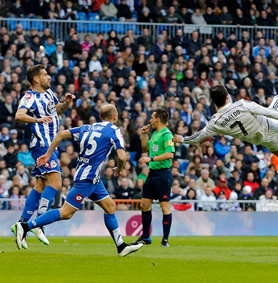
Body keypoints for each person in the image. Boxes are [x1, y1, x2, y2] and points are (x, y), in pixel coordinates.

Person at [173, 49, 278, 195]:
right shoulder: (241, 104)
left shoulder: (214, 123)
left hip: (262, 140)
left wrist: (183, 139)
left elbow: (197, 137)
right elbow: (267, 111)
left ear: (213, 101)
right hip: (272, 124)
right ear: (228, 96)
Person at [12, 105, 143, 256]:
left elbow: (60, 134)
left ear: (100, 117)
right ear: (115, 116)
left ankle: (121, 246)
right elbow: (122, 156)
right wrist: (119, 170)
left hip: (91, 177)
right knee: (66, 213)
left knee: (110, 207)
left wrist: (48, 155)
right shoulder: (114, 130)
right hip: (87, 178)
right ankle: (25, 226)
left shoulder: (87, 128)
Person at [12, 65, 75, 248]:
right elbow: (19, 115)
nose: (49, 77)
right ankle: (39, 223)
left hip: (51, 145)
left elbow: (57, 110)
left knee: (41, 185)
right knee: (56, 183)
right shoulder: (29, 97)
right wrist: (37, 120)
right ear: (36, 79)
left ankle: (22, 224)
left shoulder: (49, 94)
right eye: (45, 74)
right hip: (42, 144)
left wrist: (66, 103)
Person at [135, 109, 175, 247]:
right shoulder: (155, 134)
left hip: (163, 174)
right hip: (152, 173)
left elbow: (170, 154)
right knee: (144, 204)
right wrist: (144, 134)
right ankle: (145, 237)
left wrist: (150, 159)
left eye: (152, 117)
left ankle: (165, 240)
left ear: (158, 119)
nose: (150, 120)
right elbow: (145, 148)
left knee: (164, 206)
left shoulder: (167, 134)